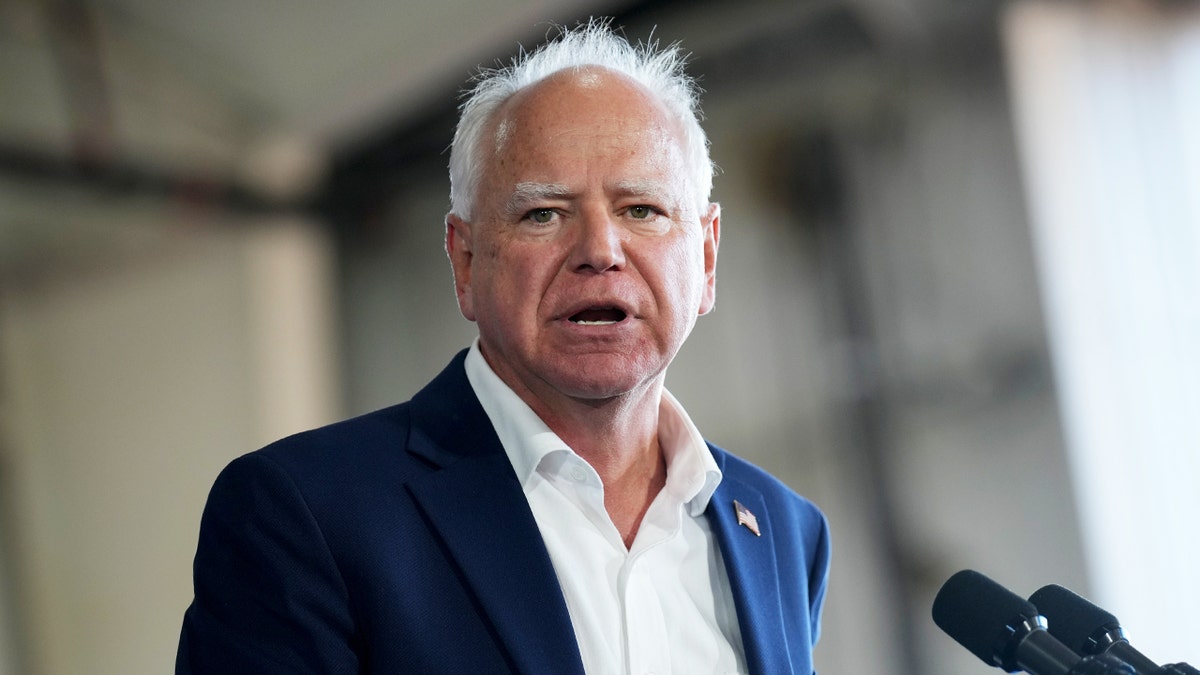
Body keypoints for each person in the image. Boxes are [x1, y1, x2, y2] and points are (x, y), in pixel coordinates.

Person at [177, 21, 830, 675]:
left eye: (642, 210)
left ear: (707, 255)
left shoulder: (783, 530)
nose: (600, 250)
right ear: (465, 261)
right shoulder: (305, 513)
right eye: (543, 213)